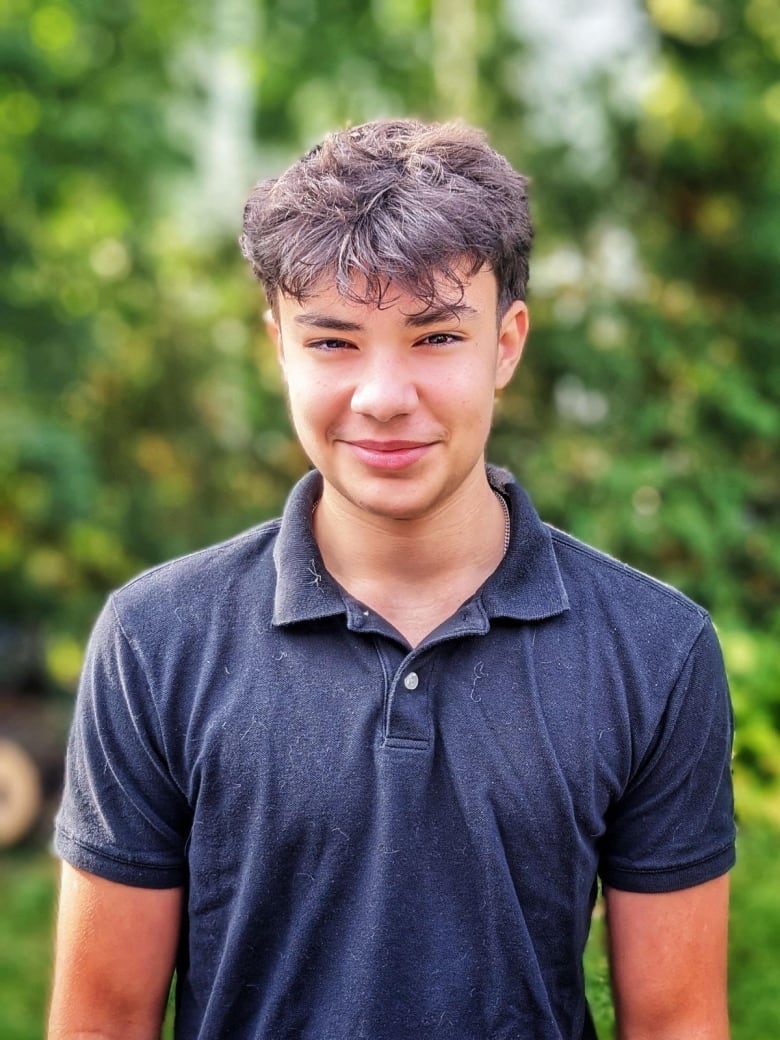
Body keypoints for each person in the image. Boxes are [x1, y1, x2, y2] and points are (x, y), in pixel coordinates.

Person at [48, 119, 735, 1040]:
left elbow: (678, 1022)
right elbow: (102, 1018)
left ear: (506, 344)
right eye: (332, 342)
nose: (382, 395)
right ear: (279, 348)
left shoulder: (656, 650)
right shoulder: (155, 640)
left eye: (435, 336)